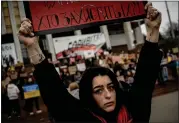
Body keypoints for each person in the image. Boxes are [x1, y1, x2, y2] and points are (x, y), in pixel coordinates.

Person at [18, 3, 163, 123]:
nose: (108, 95)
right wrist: (32, 47)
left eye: (111, 87)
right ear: (88, 95)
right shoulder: (81, 119)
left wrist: (153, 30)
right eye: (98, 90)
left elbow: (145, 78)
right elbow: (56, 97)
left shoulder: (134, 110)